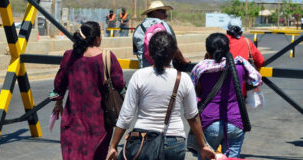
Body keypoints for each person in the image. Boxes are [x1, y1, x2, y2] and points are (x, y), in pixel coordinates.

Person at [106, 32, 215, 160]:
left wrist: (113, 146)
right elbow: (192, 116)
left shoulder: (139, 76)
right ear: (173, 53)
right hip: (174, 142)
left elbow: (126, 116)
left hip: (142, 141)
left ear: (149, 52)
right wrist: (202, 145)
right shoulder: (183, 79)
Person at [52, 21, 125, 160]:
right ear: (97, 38)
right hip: (99, 123)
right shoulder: (107, 57)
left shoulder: (69, 56)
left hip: (72, 121)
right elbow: (120, 85)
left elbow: (58, 85)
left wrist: (57, 101)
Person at [191, 33, 263, 158]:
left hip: (209, 122)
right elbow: (255, 79)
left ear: (208, 50)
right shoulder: (240, 66)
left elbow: (195, 91)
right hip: (236, 123)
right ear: (228, 48)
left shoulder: (201, 69)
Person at [133, 0, 189, 68]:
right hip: (165, 70)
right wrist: (183, 60)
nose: (166, 14)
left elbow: (138, 53)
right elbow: (174, 48)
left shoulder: (138, 28)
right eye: (163, 12)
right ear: (154, 12)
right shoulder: (165, 25)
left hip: (145, 70)